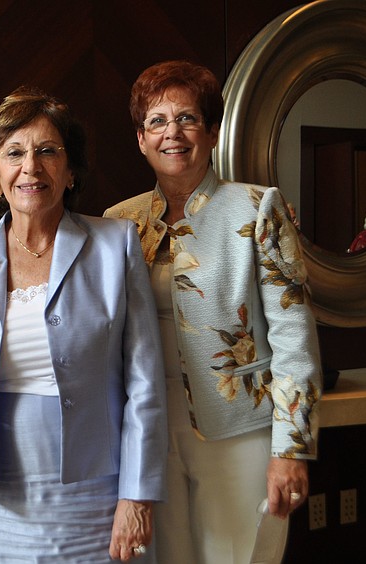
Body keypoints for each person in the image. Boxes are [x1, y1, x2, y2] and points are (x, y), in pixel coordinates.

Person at [104, 60, 322, 564]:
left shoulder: (257, 209)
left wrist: (290, 450)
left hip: (239, 426)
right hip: (148, 433)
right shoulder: (119, 223)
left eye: (187, 118)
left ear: (212, 131)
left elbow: (294, 336)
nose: (172, 133)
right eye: (156, 121)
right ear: (140, 139)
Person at [0, 86, 167, 563]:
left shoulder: (115, 245)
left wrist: (137, 496)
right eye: (14, 153)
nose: (31, 168)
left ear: (69, 169)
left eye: (48, 151)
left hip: (99, 500)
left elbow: (145, 382)